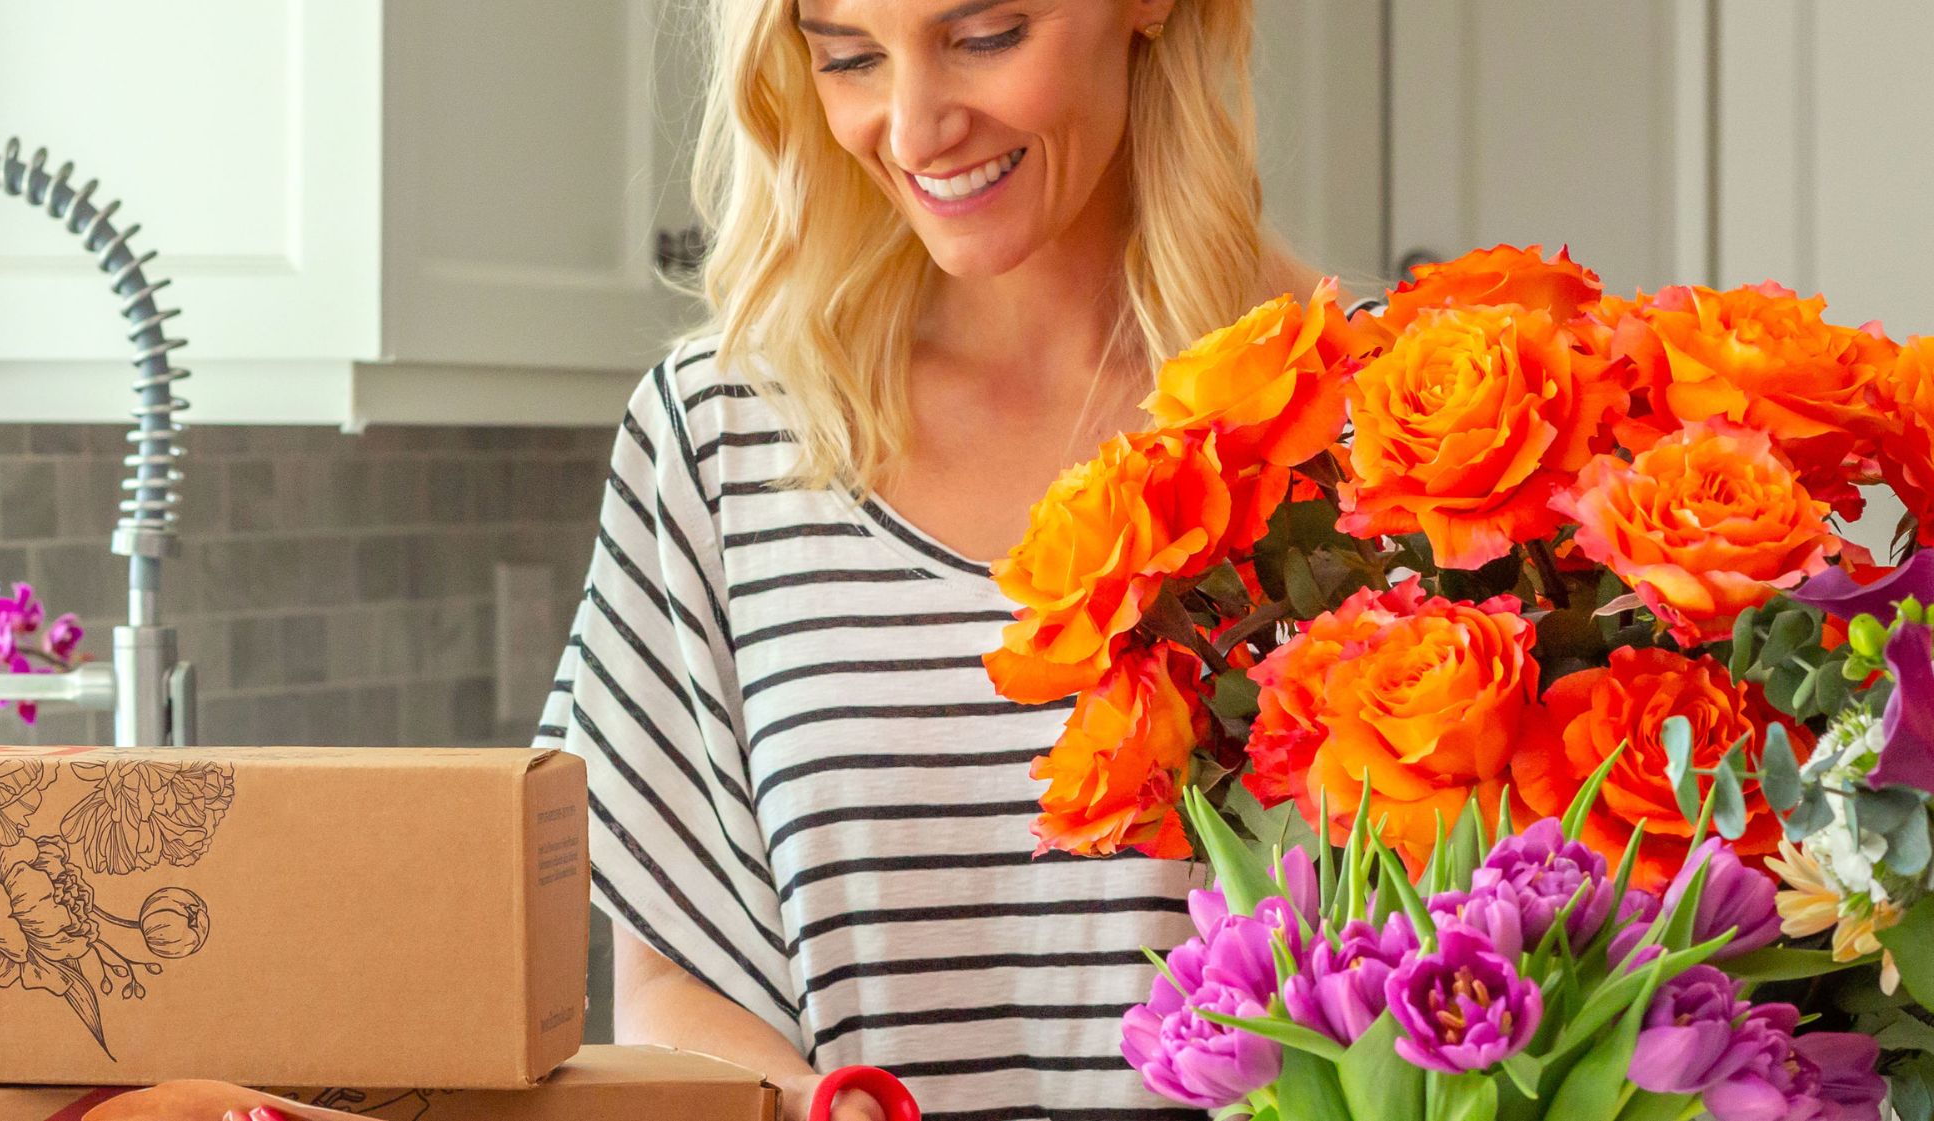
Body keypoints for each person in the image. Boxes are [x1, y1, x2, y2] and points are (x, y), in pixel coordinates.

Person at [90, 1, 1309, 1117]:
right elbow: (671, 974)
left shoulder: (1373, 426)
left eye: (986, 34)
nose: (915, 124)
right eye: (846, 57)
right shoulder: (723, 434)